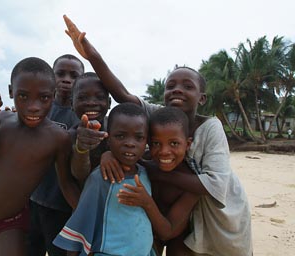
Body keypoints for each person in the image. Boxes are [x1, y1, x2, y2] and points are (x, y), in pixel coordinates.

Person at [63, 15, 253, 255]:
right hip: (178, 207)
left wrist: (146, 166)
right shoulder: (160, 116)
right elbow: (122, 95)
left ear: (202, 98)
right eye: (171, 85)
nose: (177, 90)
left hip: (221, 213)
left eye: (187, 86)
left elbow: (214, 186)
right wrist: (92, 55)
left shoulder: (211, 127)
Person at [0, 57, 80, 256]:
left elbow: (66, 183)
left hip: (13, 224)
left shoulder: (58, 138)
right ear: (11, 92)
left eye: (43, 98)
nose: (33, 106)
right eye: (23, 96)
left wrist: (88, 215)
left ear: (53, 95)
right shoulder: (2, 121)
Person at [53, 102, 155, 256]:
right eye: (120, 136)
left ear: (146, 141)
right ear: (108, 139)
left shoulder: (146, 173)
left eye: (139, 137)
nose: (129, 143)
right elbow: (81, 222)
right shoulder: (100, 178)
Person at [117, 106, 200, 255]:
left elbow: (168, 232)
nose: (164, 151)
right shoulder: (143, 163)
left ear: (187, 144)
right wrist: (108, 156)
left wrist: (146, 202)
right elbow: (120, 157)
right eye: (156, 143)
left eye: (174, 143)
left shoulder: (191, 184)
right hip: (143, 232)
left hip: (176, 235)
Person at [27, 54, 84, 256]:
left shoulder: (82, 116)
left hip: (62, 205)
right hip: (31, 199)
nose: (66, 79)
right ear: (51, 77)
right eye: (60, 73)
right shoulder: (39, 110)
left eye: (74, 75)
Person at [68, 72, 111, 185]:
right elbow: (79, 175)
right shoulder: (69, 136)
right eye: (82, 98)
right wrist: (81, 148)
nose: (91, 103)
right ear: (71, 104)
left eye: (100, 97)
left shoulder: (116, 129)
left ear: (109, 103)